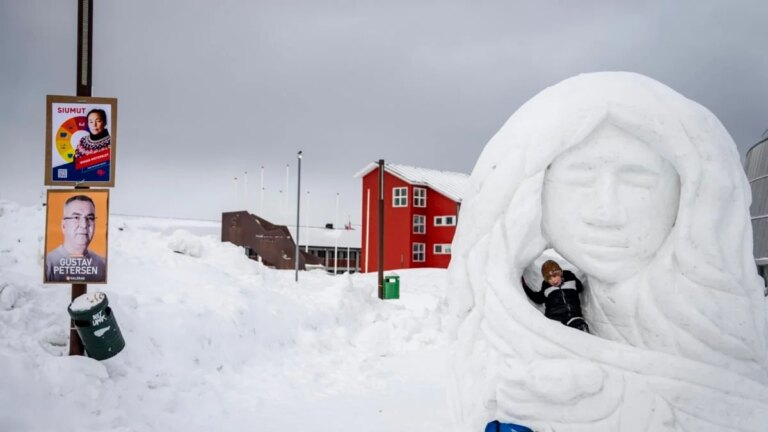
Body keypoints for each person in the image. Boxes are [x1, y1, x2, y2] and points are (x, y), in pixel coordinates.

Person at [446, 72, 768, 431]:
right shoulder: (501, 332)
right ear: (531, 192)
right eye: (581, 178)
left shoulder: (722, 329)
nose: (606, 211)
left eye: (637, 180)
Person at [45, 195, 107, 283]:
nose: (84, 225)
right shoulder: (47, 265)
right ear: (63, 226)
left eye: (90, 218)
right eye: (76, 217)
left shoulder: (103, 265)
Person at [522, 260, 588, 332]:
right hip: (555, 317)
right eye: (549, 278)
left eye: (554, 276)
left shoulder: (570, 277)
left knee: (581, 327)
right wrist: (525, 287)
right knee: (555, 333)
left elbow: (580, 287)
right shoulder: (546, 286)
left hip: (573, 316)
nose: (553, 280)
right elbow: (538, 298)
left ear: (560, 273)